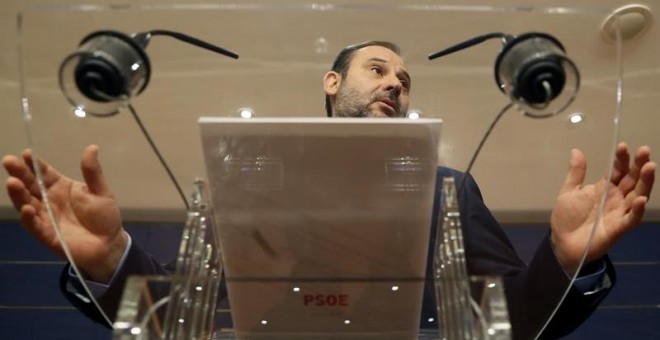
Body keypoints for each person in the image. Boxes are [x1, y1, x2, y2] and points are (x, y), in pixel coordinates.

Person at [3, 41, 656, 340]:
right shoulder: (240, 175)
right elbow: (183, 317)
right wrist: (110, 261)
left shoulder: (450, 189)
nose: (395, 84)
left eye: (403, 78)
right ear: (331, 82)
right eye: (377, 70)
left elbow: (510, 320)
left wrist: (570, 259)